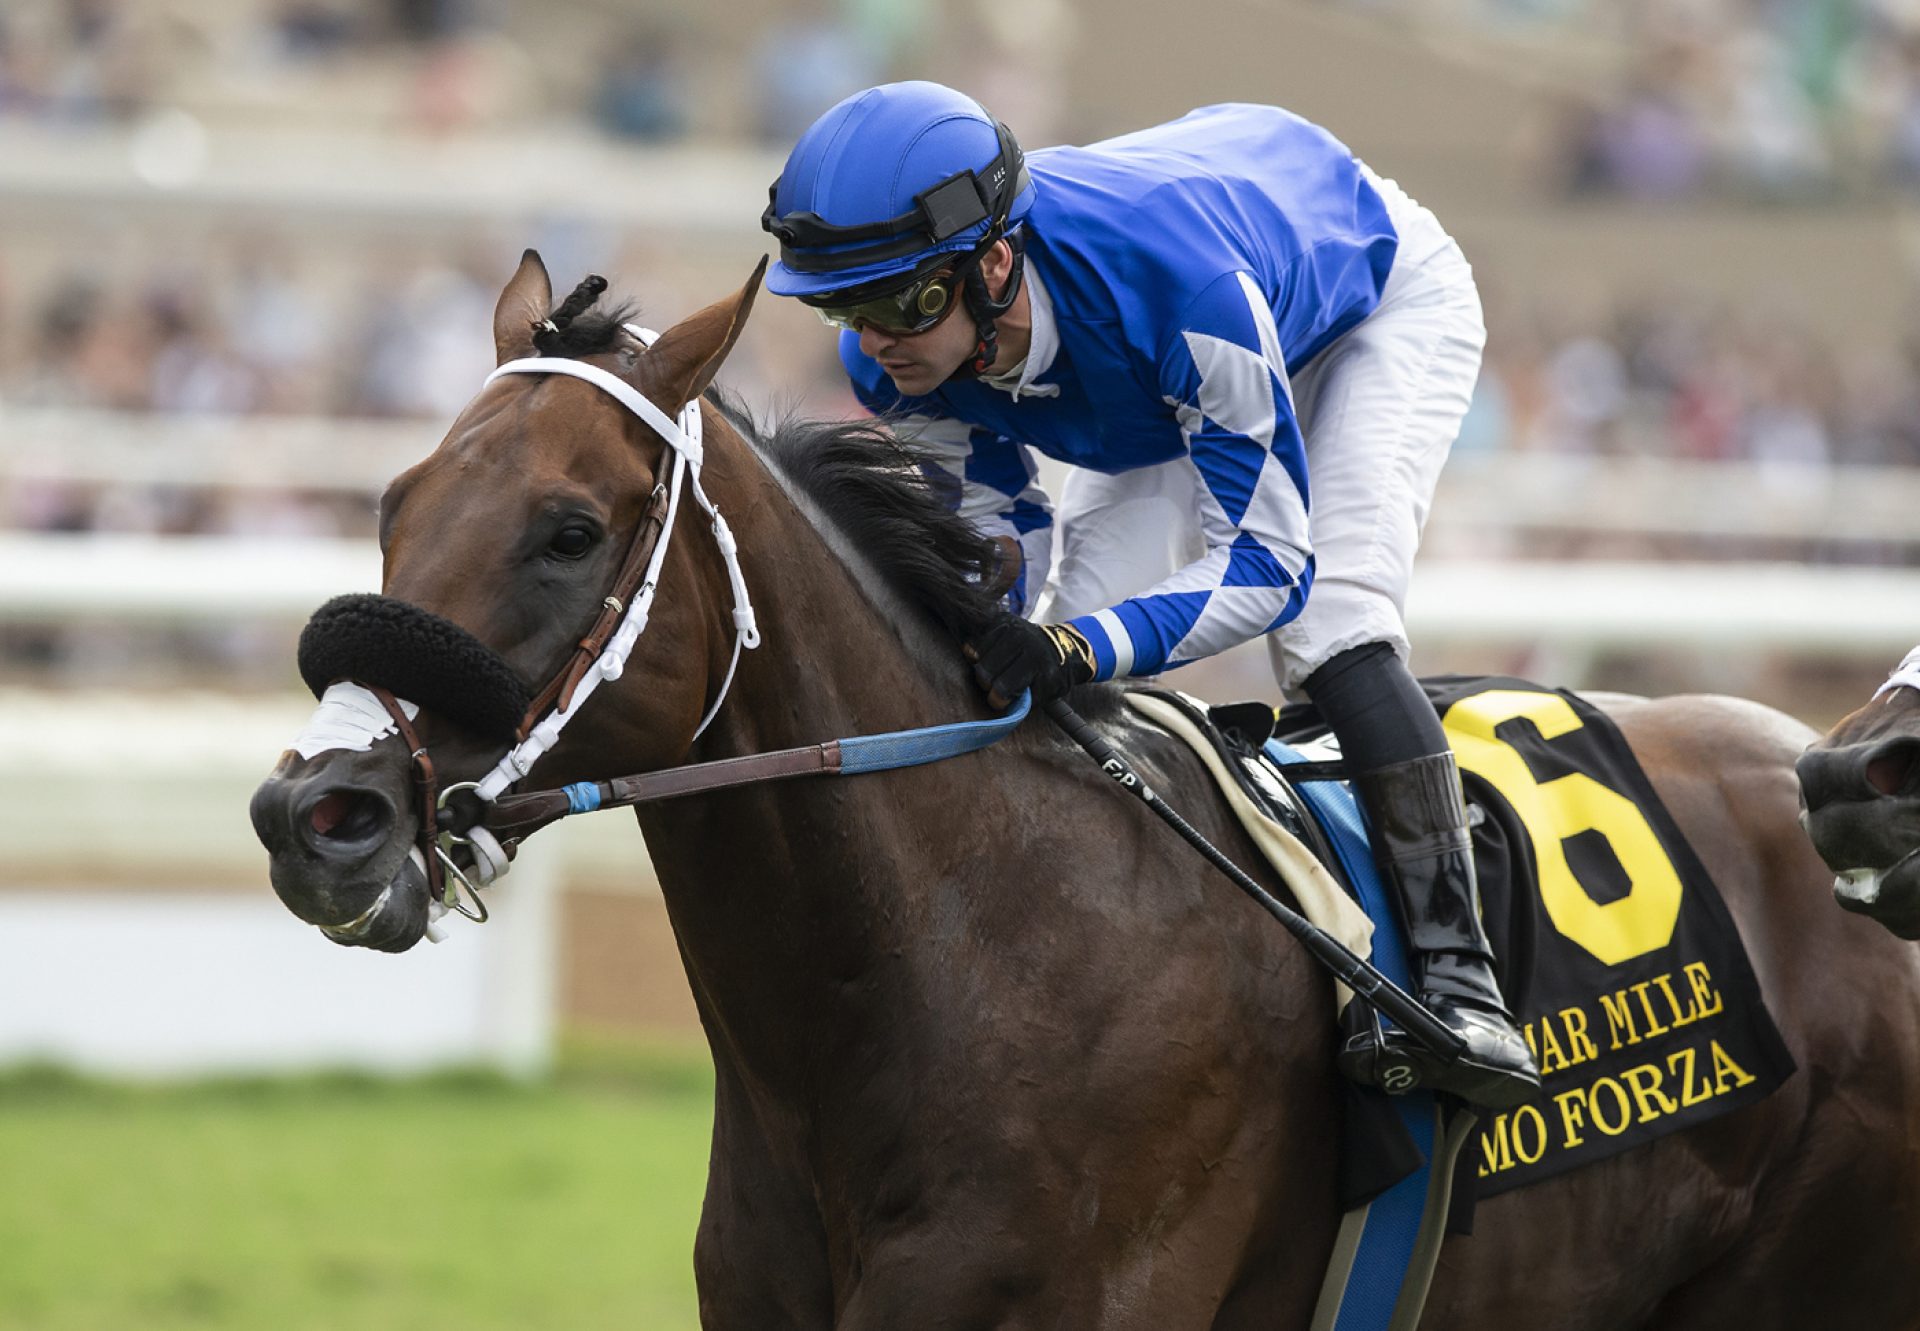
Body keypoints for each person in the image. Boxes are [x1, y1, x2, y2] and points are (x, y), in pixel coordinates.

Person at [759, 81, 1539, 1109]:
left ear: (993, 262)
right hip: (1162, 361)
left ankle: (1460, 982)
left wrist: (1082, 651)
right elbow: (999, 538)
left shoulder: (1179, 291)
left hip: (1361, 307)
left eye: (901, 302)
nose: (877, 337)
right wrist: (1024, 633)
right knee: (1046, 638)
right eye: (843, 305)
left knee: (1330, 617)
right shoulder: (898, 353)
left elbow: (1268, 565)